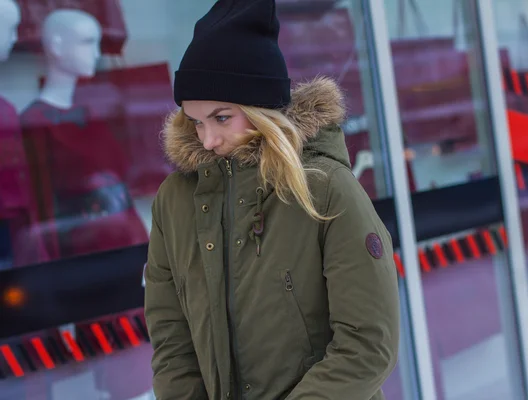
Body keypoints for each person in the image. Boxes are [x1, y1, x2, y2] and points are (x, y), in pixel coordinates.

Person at [143, 0, 400, 399]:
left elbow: (367, 344)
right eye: (195, 122)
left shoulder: (325, 187)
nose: (208, 139)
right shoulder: (174, 202)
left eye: (221, 117)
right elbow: (172, 341)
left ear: (261, 108)